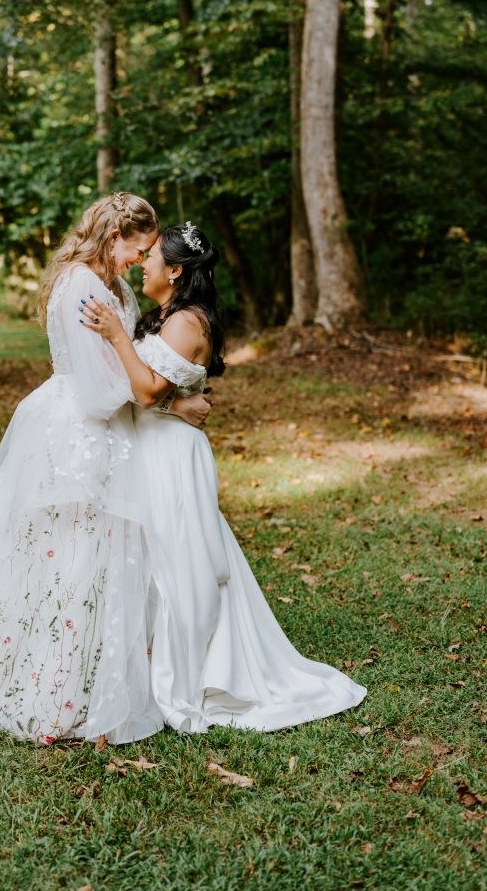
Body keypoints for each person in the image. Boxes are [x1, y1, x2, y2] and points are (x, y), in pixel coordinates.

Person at [0, 193, 210, 744]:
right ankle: (48, 689)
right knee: (65, 555)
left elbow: (133, 363)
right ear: (111, 236)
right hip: (79, 431)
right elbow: (98, 392)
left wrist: (162, 391)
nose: (139, 261)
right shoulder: (80, 285)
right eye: (136, 249)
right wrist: (170, 404)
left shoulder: (114, 287)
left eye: (148, 253)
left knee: (98, 557)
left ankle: (100, 677)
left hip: (110, 432)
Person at [81, 222, 367, 732]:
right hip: (153, 445)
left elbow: (146, 391)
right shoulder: (167, 315)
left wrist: (119, 337)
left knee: (181, 564)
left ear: (175, 270)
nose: (142, 262)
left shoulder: (188, 321)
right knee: (155, 557)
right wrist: (179, 398)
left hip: (171, 455)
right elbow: (150, 387)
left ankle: (193, 673)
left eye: (150, 257)